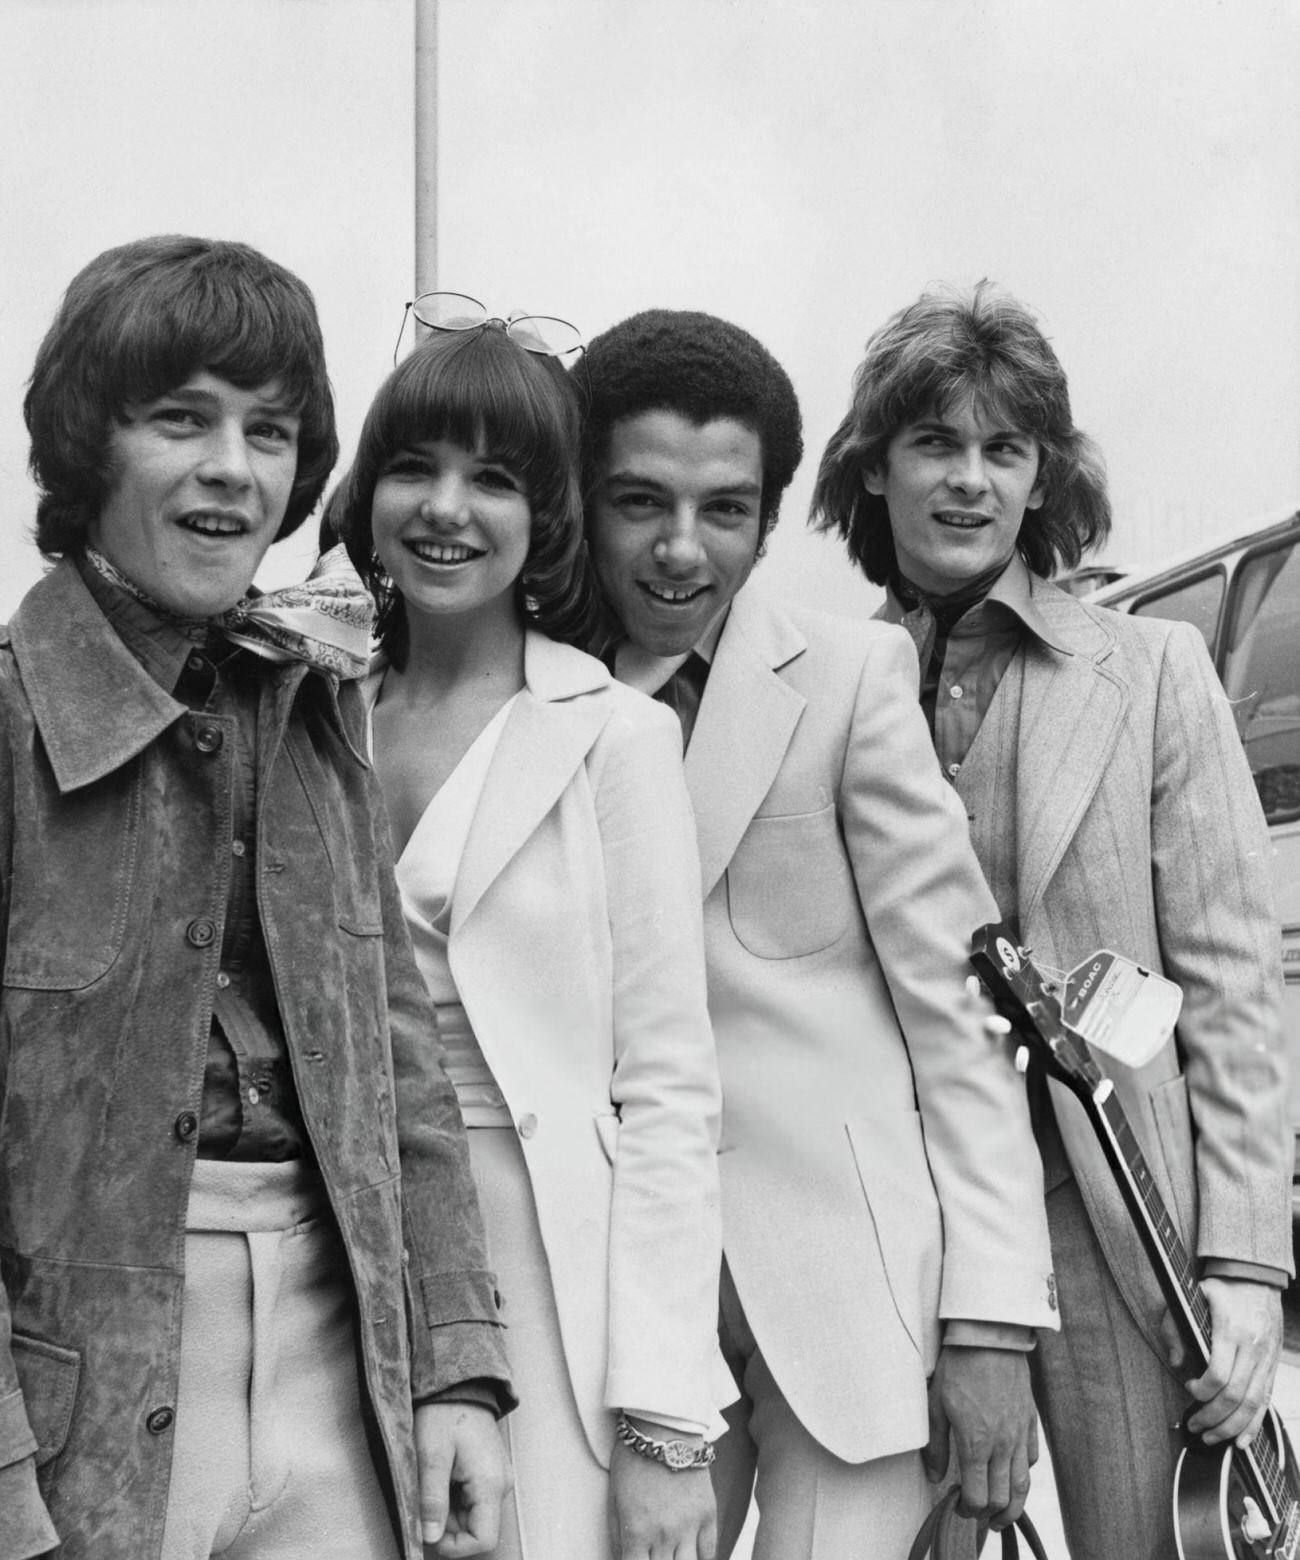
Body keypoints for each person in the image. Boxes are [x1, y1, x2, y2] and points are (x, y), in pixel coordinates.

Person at [1, 236, 515, 1560]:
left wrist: (454, 1373)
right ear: (84, 443)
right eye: (183, 419)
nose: (234, 464)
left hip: (339, 1373)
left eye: (271, 431)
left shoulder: (313, 703)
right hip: (83, 1417)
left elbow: (398, 1059)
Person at [811, 280, 1292, 1560]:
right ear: (873, 470)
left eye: (1002, 449)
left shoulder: (1150, 672)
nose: (967, 480)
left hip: (1113, 1232)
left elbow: (1233, 984)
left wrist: (1244, 1265)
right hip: (897, 1235)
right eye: (934, 444)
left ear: (1042, 479)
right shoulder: (810, 694)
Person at [572, 309, 1059, 1560]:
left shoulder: (849, 679)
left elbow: (960, 1020)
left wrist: (993, 1320)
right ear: (581, 496)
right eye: (640, 504)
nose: (682, 551)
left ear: (773, 510)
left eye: (726, 510)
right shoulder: (535, 700)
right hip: (619, 1310)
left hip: (849, 1305)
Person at [333, 313, 727, 1560]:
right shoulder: (307, 710)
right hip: (333, 1249)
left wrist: (666, 1423)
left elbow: (666, 1090)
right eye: (417, 467)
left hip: (545, 1270)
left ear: (543, 512)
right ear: (369, 488)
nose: (447, 509)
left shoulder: (613, 736)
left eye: (494, 478)